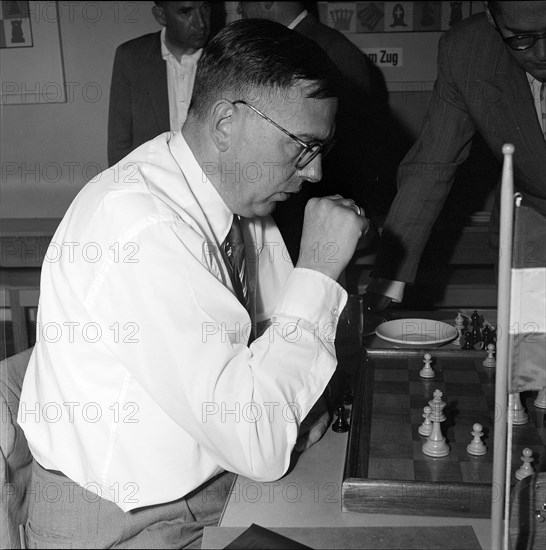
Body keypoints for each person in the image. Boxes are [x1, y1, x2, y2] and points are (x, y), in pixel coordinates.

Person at [19, 19, 369, 548]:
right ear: (227, 122)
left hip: (207, 485)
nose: (315, 172)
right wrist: (318, 267)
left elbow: (274, 347)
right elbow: (258, 438)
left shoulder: (234, 201)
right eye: (302, 145)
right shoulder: (140, 228)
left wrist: (290, 409)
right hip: (120, 522)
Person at [364, 0, 546, 311]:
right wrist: (389, 278)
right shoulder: (467, 51)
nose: (542, 54)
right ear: (492, 18)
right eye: (521, 39)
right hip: (529, 227)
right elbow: (430, 168)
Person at [239, 1, 395, 263]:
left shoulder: (332, 51)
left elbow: (351, 161)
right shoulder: (280, 44)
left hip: (305, 227)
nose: (239, 10)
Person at [107, 1, 212, 167]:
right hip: (151, 180)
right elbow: (119, 140)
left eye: (205, 8)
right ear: (161, 15)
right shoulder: (131, 57)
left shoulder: (227, 54)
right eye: (186, 12)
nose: (200, 23)